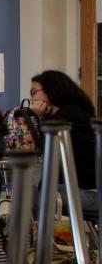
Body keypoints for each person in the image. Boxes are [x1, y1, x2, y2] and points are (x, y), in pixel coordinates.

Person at [30, 70, 98, 213]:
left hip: (89, 193)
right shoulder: (73, 112)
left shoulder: (66, 117)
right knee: (33, 184)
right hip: (82, 188)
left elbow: (39, 148)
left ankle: (36, 234)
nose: (32, 98)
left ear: (51, 91)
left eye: (34, 91)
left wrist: (36, 117)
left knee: (31, 189)